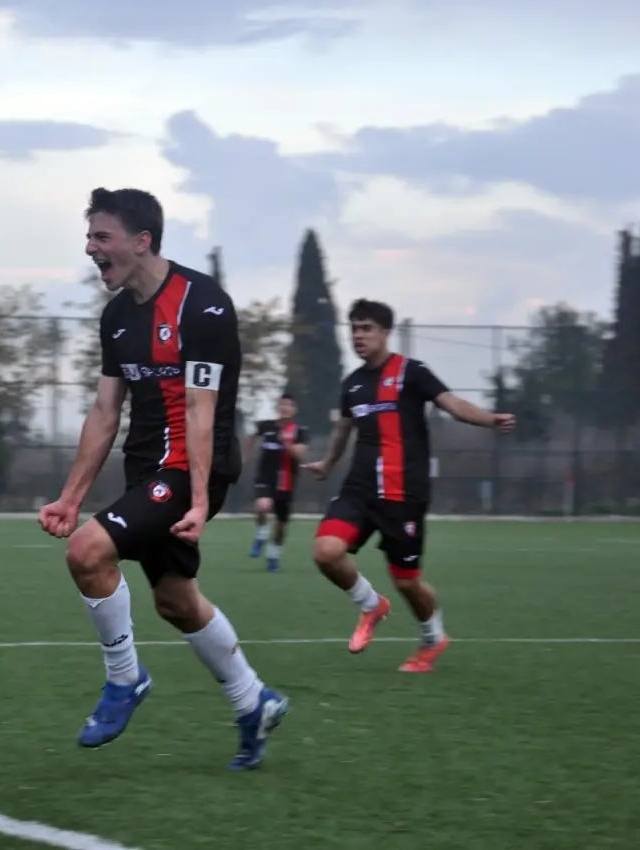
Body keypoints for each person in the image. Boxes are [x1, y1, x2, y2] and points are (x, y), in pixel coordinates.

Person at [38, 187, 289, 770]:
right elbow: (105, 412)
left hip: (192, 469)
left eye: (102, 237)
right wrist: (70, 497)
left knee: (87, 553)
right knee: (176, 600)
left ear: (141, 241)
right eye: (89, 237)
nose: (91, 248)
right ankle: (253, 701)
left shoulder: (203, 305)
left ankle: (125, 679)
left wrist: (199, 501)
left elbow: (202, 408)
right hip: (148, 469)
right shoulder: (117, 317)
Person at [303, 299, 514, 672]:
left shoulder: (411, 372)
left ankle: (433, 639)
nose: (358, 336)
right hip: (359, 489)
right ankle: (371, 605)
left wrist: (489, 419)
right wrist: (328, 463)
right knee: (326, 552)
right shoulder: (352, 384)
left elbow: (451, 404)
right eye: (354, 329)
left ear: (386, 332)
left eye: (367, 328)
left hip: (403, 494)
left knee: (407, 582)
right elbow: (343, 429)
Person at [245, 393, 309, 571]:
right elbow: (252, 437)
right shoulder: (267, 426)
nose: (285, 408)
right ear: (278, 407)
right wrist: (244, 456)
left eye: (289, 405)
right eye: (282, 404)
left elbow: (299, 455)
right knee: (262, 506)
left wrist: (286, 442)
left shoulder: (299, 431)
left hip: (286, 481)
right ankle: (261, 534)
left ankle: (273, 555)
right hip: (265, 477)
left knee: (281, 524)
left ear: (294, 410)